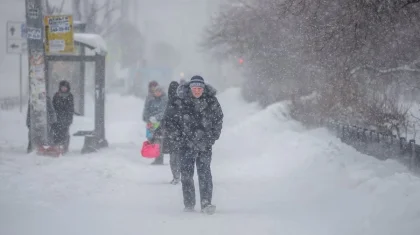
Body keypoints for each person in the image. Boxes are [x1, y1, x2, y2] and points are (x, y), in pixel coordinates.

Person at [176, 75, 223, 214]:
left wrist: (212, 137)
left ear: (203, 89)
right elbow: (174, 121)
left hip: (205, 144)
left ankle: (206, 202)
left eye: (199, 88)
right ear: (190, 88)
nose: (197, 91)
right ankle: (189, 203)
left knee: (205, 174)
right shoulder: (182, 101)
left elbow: (218, 119)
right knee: (186, 175)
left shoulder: (212, 101)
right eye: (194, 88)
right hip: (186, 145)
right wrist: (179, 138)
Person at [155, 81, 184, 184]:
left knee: (174, 158)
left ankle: (176, 176)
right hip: (179, 135)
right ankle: (178, 176)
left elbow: (165, 118)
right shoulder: (180, 101)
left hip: (172, 135)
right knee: (178, 157)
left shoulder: (172, 102)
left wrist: (160, 128)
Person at [142, 85, 168, 165]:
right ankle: (155, 155)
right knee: (150, 139)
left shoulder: (165, 100)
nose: (157, 93)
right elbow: (146, 109)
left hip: (160, 124)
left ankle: (159, 159)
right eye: (156, 91)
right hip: (150, 123)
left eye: (159, 91)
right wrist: (147, 118)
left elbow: (164, 111)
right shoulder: (150, 99)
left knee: (158, 140)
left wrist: (157, 118)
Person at [52, 80, 74, 153]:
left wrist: (69, 119)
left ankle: (64, 147)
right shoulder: (56, 95)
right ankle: (57, 148)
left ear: (68, 88)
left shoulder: (70, 96)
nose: (64, 89)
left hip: (66, 118)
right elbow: (53, 106)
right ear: (60, 88)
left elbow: (71, 108)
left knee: (65, 133)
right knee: (57, 133)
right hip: (57, 118)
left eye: (65, 87)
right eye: (62, 87)